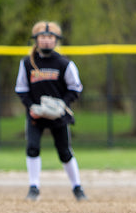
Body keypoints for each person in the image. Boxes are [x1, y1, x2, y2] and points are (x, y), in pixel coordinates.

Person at [15, 21, 86, 201]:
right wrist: (31, 107)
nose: (46, 41)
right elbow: (21, 89)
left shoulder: (64, 63)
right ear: (36, 40)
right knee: (32, 147)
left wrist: (63, 104)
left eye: (50, 37)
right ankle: (34, 187)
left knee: (64, 152)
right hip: (36, 114)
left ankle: (77, 188)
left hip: (58, 115)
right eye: (43, 37)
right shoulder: (27, 63)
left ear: (56, 40)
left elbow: (75, 88)